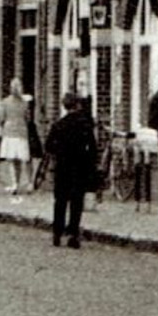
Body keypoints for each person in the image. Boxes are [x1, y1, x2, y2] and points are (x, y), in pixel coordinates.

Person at [44, 92, 100, 248]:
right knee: (76, 201)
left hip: (63, 167)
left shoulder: (58, 125)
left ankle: (57, 232)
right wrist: (92, 165)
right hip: (80, 167)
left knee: (60, 200)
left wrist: (59, 152)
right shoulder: (84, 125)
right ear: (77, 105)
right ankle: (73, 235)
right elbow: (93, 148)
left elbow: (49, 146)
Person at [0, 78, 33, 201]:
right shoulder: (25, 103)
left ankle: (15, 184)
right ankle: (29, 182)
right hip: (22, 132)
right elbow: (28, 118)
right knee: (25, 158)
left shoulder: (5, 102)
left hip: (9, 132)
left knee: (12, 160)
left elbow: (1, 117)